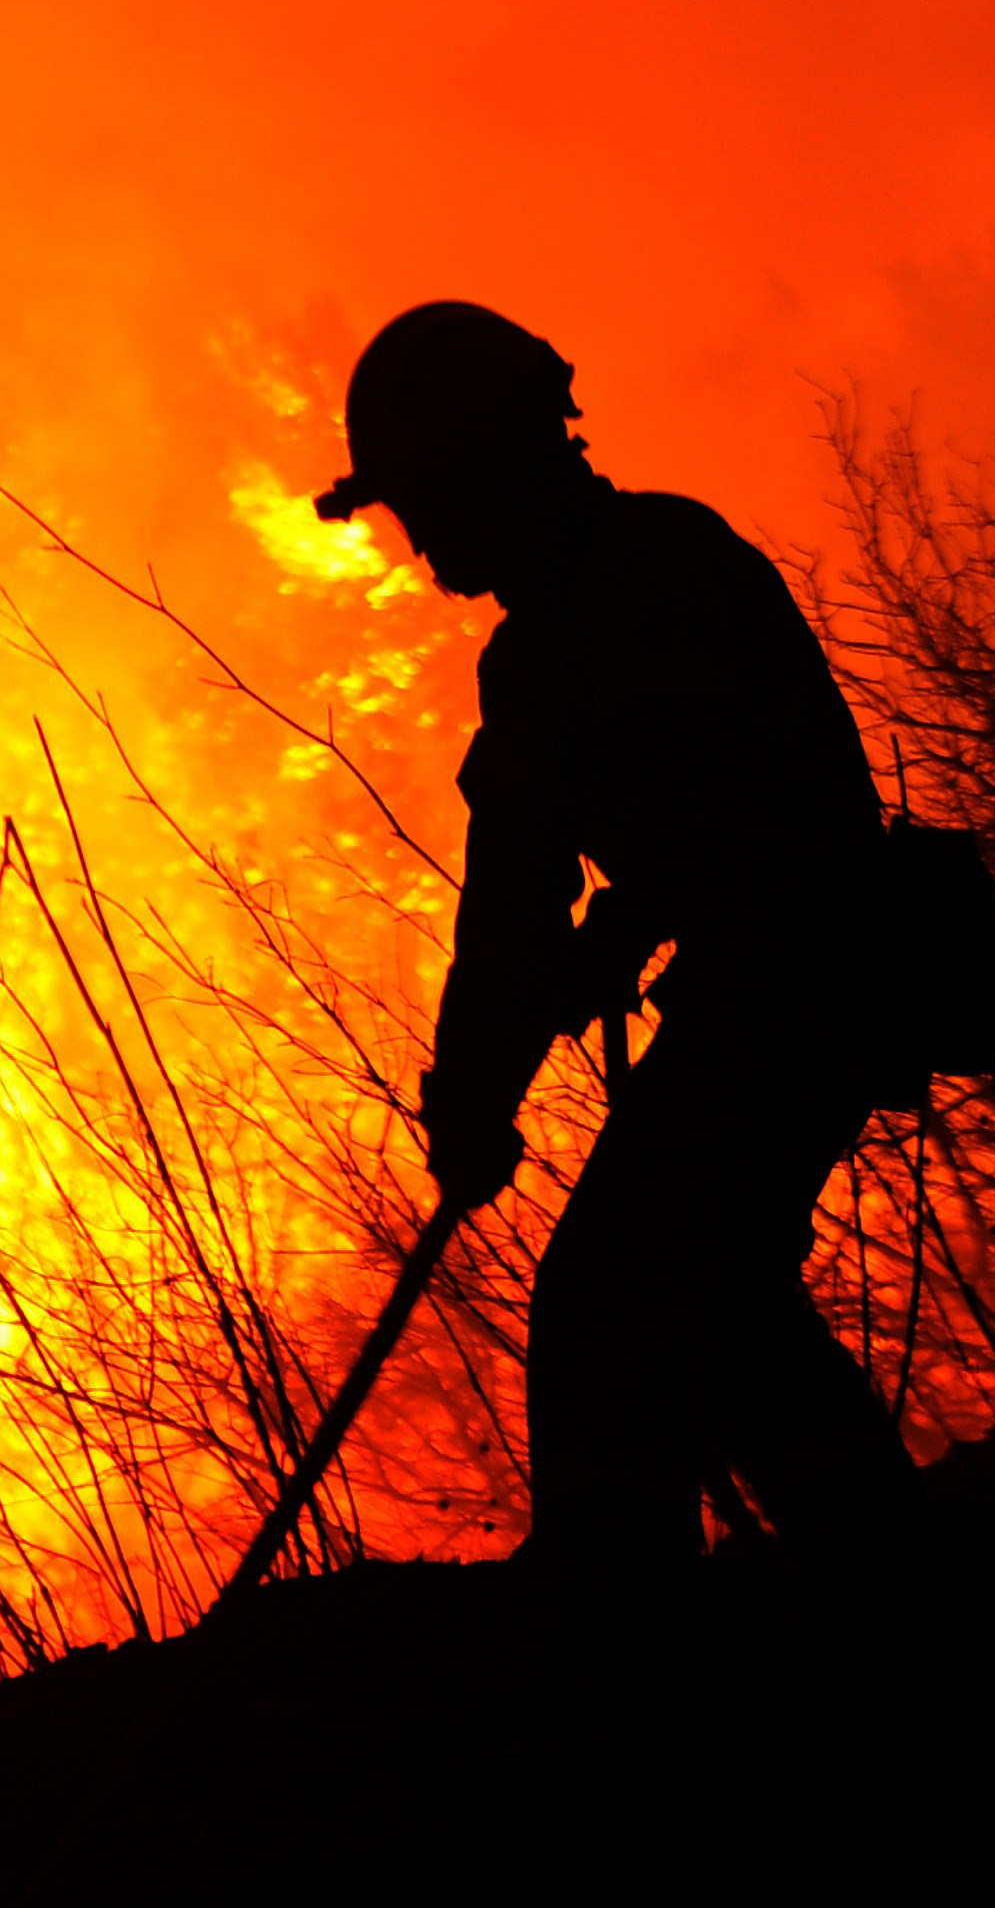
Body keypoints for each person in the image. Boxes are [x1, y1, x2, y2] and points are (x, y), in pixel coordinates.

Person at [317, 300, 919, 1575]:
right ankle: (883, 1569)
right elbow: (512, 901)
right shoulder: (532, 662)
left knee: (610, 1299)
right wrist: (474, 1095)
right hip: (748, 994)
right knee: (723, 1304)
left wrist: (624, 929)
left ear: (497, 464)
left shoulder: (657, 566)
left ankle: (619, 1613)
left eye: (426, 499)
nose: (417, 541)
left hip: (812, 975)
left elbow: (717, 801)